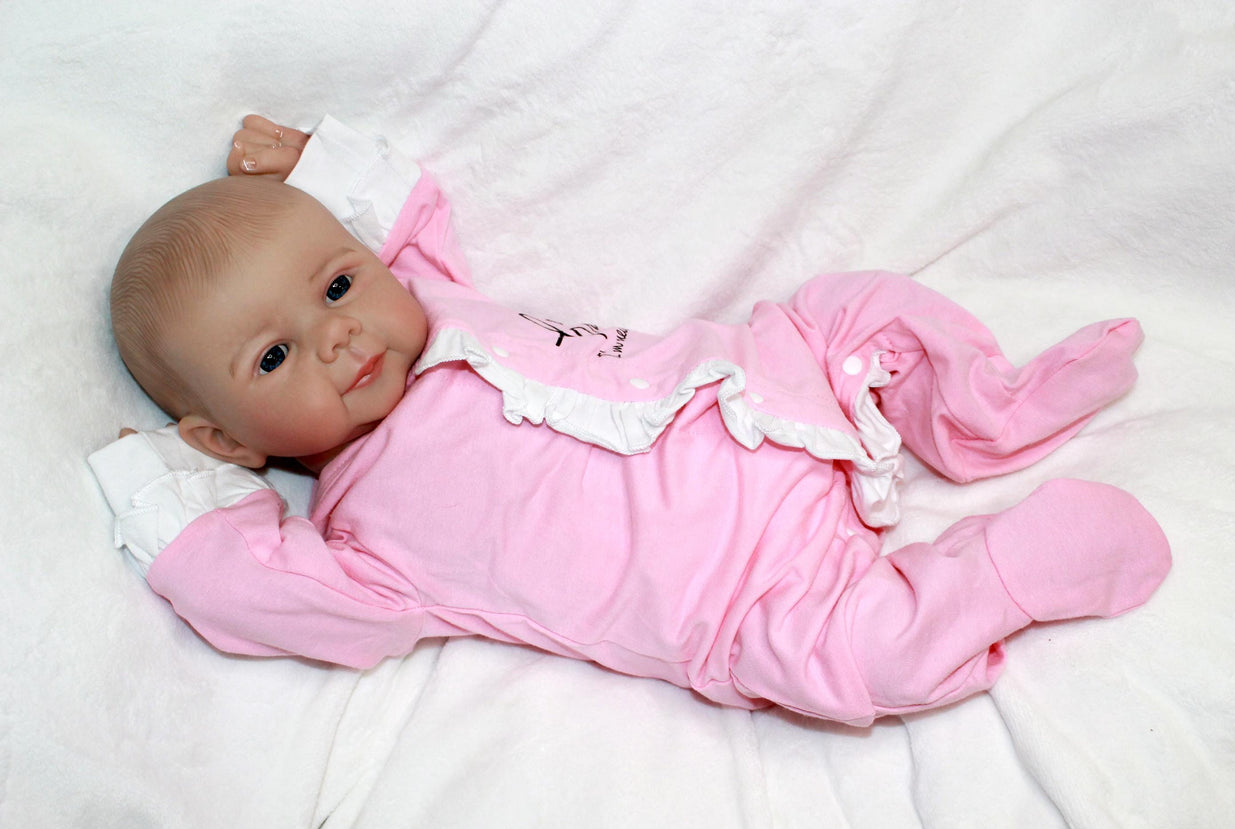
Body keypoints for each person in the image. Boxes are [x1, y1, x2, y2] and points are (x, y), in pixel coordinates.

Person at [89, 114, 1171, 726]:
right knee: (860, 664)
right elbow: (265, 594)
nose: (336, 338)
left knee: (854, 310)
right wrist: (168, 499)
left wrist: (313, 169)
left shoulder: (432, 303)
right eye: (273, 355)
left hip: (771, 397)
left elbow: (404, 216)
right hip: (752, 596)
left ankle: (985, 409)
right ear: (227, 441)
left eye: (334, 286)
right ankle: (1011, 572)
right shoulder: (364, 544)